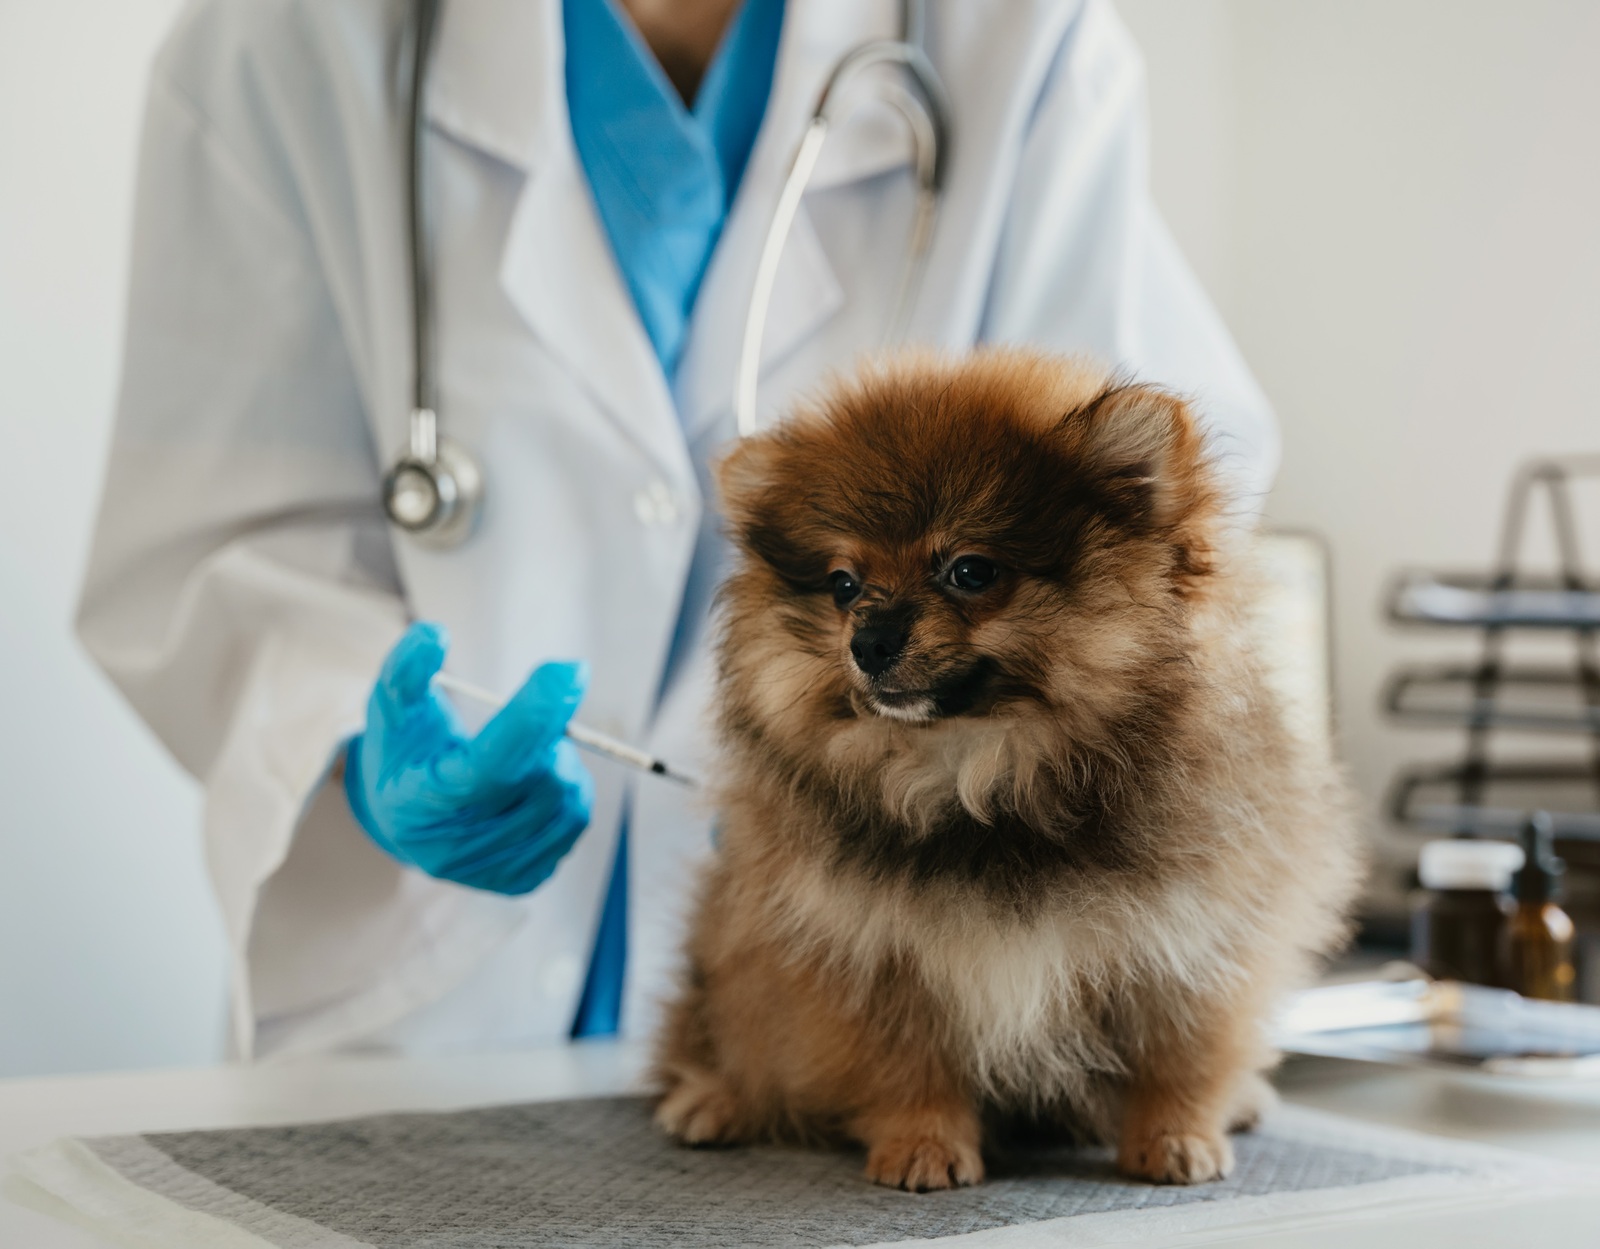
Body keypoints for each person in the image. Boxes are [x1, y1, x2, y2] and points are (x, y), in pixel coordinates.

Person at [77, 0, 1278, 1061]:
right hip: (432, 998)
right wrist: (353, 725)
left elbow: (1152, 496)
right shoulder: (279, 40)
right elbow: (211, 542)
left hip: (895, 976)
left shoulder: (1017, 41)